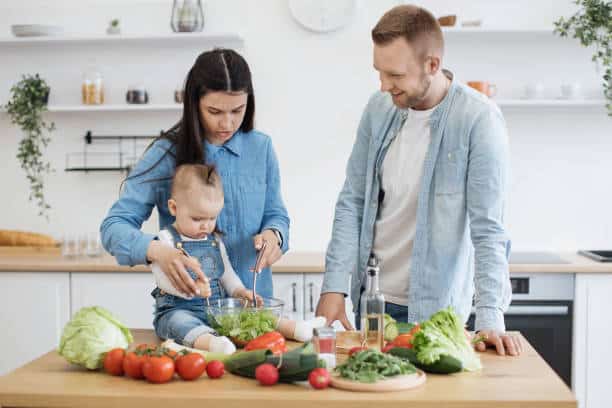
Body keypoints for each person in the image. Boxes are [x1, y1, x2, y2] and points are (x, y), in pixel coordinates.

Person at [315, 5, 522, 356]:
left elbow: (488, 228)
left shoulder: (479, 119)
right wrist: (334, 287)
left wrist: (490, 317)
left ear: (432, 65)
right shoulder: (378, 109)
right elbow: (352, 200)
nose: (383, 86)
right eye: (379, 72)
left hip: (437, 314)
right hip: (374, 307)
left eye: (394, 75)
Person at [101, 49, 288, 309]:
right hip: (189, 313)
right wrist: (157, 251)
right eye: (214, 111)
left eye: (238, 110)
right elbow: (113, 227)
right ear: (194, 104)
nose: (227, 123)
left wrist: (274, 235)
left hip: (253, 309)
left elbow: (276, 214)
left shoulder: (261, 148)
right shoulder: (165, 153)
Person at [151, 164, 324, 353]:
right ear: (174, 208)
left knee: (252, 315)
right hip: (178, 309)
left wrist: (240, 291)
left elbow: (226, 274)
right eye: (197, 219)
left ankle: (297, 328)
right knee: (178, 323)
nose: (205, 226)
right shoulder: (165, 240)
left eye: (211, 218)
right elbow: (162, 281)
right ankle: (213, 343)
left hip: (216, 311)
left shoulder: (214, 240)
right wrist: (191, 290)